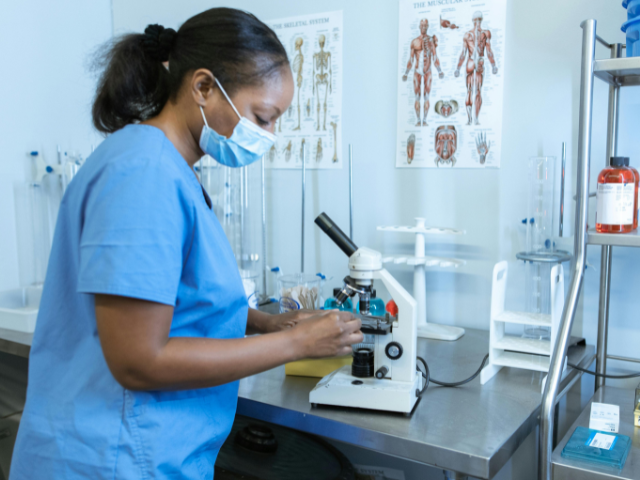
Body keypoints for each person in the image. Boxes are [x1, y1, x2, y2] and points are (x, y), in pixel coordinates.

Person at [10, 8, 362, 479]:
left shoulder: (167, 167)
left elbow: (173, 297)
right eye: (262, 117)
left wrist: (264, 323)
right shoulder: (145, 174)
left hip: (143, 450)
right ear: (203, 87)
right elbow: (139, 360)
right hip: (110, 458)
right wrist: (298, 343)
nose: (268, 136)